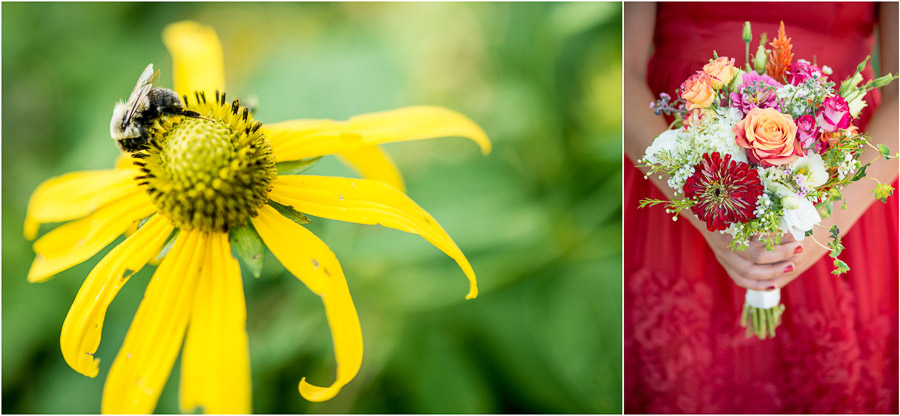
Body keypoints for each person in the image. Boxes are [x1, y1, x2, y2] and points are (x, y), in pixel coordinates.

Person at [623, 3, 898, 413]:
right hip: (679, 162)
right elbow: (621, 72)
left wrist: (820, 228)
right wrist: (706, 202)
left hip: (844, 176)